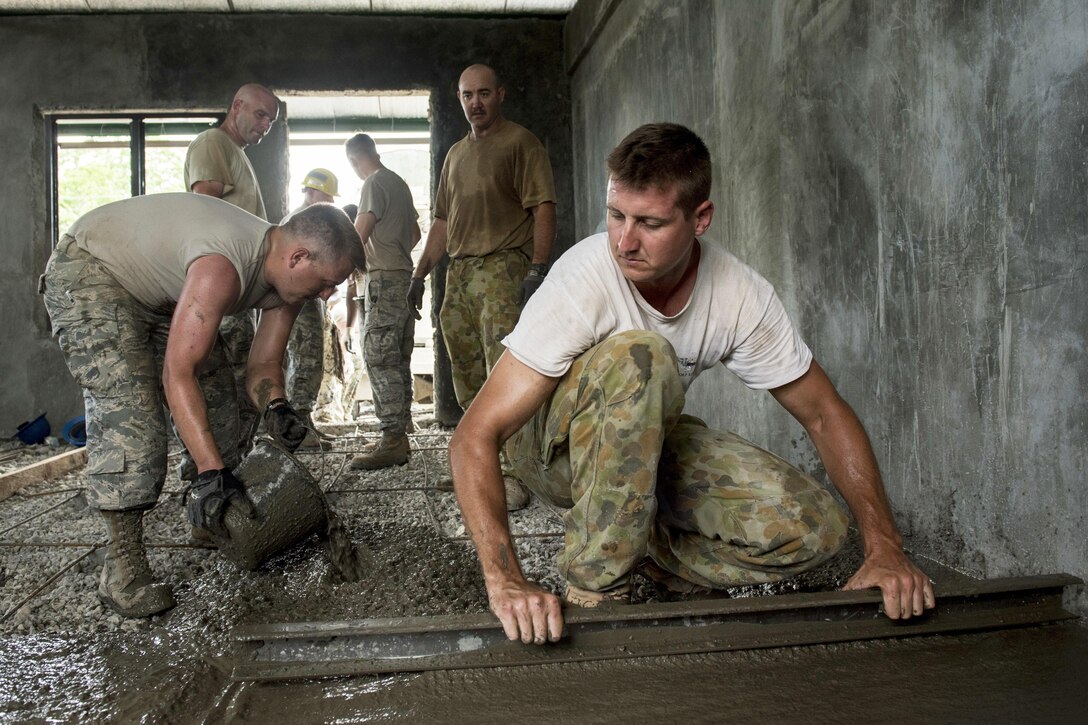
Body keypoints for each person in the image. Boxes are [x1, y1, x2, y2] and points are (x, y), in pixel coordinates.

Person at [448, 123, 936, 646]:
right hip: (550, 452)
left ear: (700, 218)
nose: (624, 241)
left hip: (640, 448)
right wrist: (506, 580)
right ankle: (596, 585)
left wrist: (884, 547)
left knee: (816, 529)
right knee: (643, 354)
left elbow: (823, 412)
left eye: (650, 223)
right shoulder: (583, 277)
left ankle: (654, 556)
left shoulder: (740, 294)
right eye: (616, 216)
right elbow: (474, 435)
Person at [41, 193, 364, 618]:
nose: (327, 295)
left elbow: (263, 366)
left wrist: (277, 407)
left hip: (157, 293)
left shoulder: (285, 285)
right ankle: (123, 570)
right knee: (132, 414)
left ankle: (210, 516)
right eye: (326, 282)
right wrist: (213, 471)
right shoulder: (222, 268)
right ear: (298, 257)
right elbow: (178, 374)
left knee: (219, 400)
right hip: (92, 274)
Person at [409, 64, 557, 509]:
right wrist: (419, 275)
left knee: (504, 371)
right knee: (466, 371)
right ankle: (478, 466)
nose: (476, 102)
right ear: (459, 98)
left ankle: (513, 474)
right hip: (459, 272)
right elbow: (440, 221)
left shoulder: (520, 143)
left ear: (501, 95)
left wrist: (538, 269)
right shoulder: (454, 155)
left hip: (503, 267)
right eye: (467, 95)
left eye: (484, 94)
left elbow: (542, 208)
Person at [184, 83, 280, 468]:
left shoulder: (235, 153)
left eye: (270, 121)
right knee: (222, 387)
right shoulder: (213, 143)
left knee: (242, 385)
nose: (264, 126)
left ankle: (235, 466)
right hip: (222, 290)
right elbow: (203, 212)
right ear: (236, 106)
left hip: (241, 292)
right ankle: (210, 473)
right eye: (259, 115)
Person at [343, 134, 421, 469]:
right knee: (398, 358)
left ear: (354, 160)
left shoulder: (373, 183)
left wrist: (342, 266)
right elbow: (416, 235)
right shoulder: (399, 183)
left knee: (378, 357)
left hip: (383, 280)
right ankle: (402, 427)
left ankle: (392, 441)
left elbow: (359, 231)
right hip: (403, 278)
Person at [283, 168, 340, 449]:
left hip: (304, 300)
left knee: (307, 358)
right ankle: (298, 429)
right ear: (315, 192)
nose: (331, 202)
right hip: (300, 301)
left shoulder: (298, 219)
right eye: (328, 196)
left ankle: (304, 424)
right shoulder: (302, 222)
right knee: (305, 358)